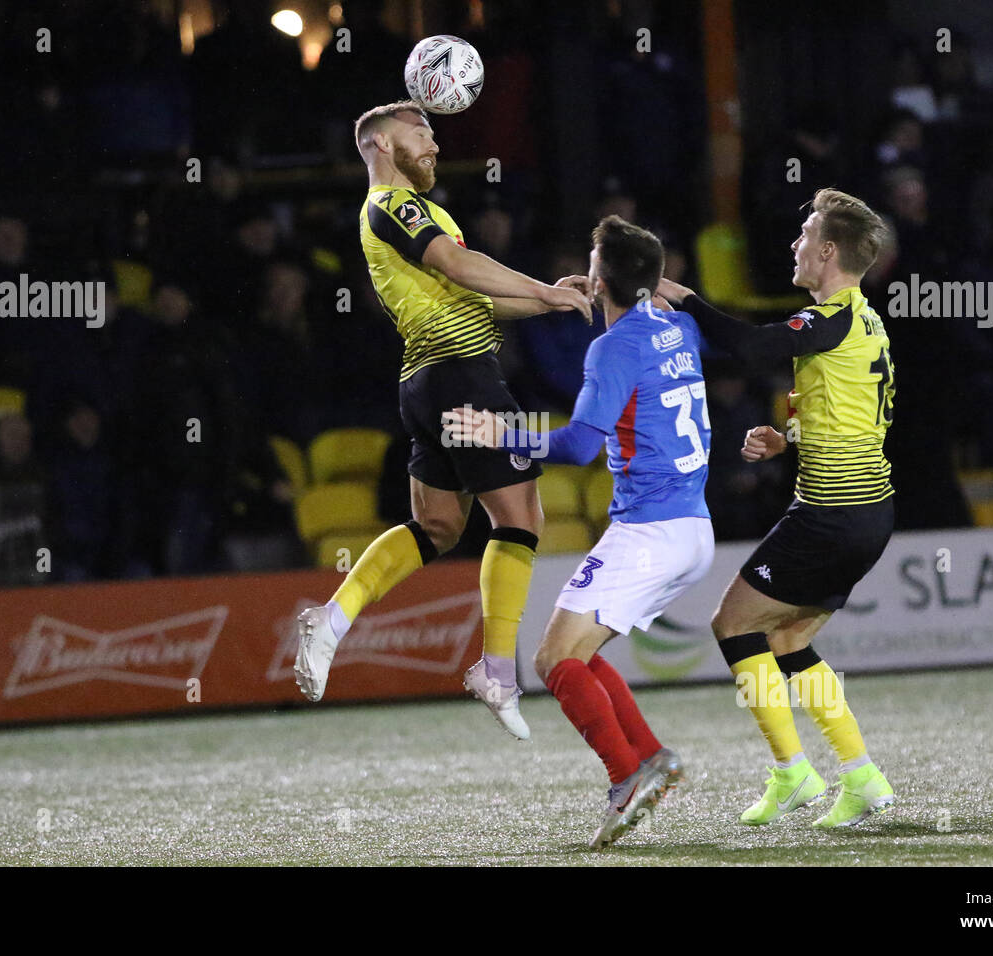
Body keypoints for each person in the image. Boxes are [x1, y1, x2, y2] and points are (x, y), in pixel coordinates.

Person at [294, 101, 591, 739]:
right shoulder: (395, 206)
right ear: (379, 142)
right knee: (521, 518)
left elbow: (476, 296)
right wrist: (544, 289)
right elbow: (459, 267)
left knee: (437, 524)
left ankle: (334, 619)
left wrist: (552, 302)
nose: (433, 142)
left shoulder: (421, 214)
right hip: (462, 375)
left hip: (425, 383)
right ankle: (497, 670)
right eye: (421, 131)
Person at [444, 215, 714, 849]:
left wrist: (498, 434)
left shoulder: (611, 347)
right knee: (579, 653)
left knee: (552, 660)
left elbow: (576, 445)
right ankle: (649, 757)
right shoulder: (682, 326)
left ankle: (627, 777)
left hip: (648, 531)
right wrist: (616, 285)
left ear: (599, 278)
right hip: (692, 526)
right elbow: (650, 304)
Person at [656, 188, 897, 828]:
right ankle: (862, 776)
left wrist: (684, 298)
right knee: (787, 638)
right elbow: (856, 416)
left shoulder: (832, 317)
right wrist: (787, 438)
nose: (794, 246)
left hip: (830, 514)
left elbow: (752, 345)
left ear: (826, 252)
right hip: (868, 514)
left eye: (804, 237)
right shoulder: (865, 322)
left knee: (732, 625)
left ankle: (793, 771)